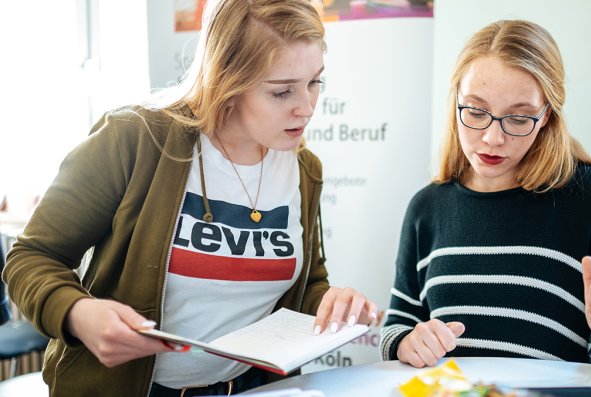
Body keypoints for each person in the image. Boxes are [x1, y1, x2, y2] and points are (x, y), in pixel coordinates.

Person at [3, 1, 377, 396]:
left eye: (315, 82)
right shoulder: (135, 139)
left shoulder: (303, 168)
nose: (308, 107)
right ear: (227, 82)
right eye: (282, 91)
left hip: (249, 388)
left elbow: (308, 282)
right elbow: (31, 258)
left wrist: (332, 301)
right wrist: (77, 314)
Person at [380, 19, 591, 381]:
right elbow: (396, 327)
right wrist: (407, 342)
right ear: (455, 100)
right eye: (474, 110)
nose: (492, 137)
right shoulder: (426, 208)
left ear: (546, 115)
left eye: (518, 118)